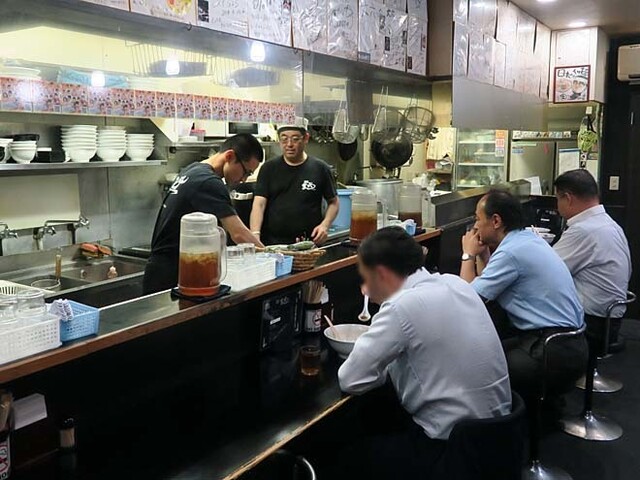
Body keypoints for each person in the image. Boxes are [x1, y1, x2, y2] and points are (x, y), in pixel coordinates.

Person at [335, 227, 512, 480]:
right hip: (499, 439)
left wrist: (383, 365)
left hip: (451, 450)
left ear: (382, 274)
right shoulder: (457, 284)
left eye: (365, 279)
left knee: (345, 455)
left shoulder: (401, 306)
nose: (365, 290)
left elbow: (350, 379)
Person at [460, 189, 587, 400]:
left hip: (551, 351)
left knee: (478, 365)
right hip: (571, 344)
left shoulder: (511, 252)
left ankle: (506, 416)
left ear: (496, 221)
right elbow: (488, 283)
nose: (475, 226)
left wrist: (468, 254)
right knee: (491, 349)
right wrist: (482, 254)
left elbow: (466, 298)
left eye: (478, 219)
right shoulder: (526, 239)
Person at [143, 134, 264, 294]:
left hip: (165, 268)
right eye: (246, 172)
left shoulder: (193, 169)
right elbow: (238, 234)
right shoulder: (208, 182)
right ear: (229, 156)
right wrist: (271, 255)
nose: (243, 179)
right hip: (172, 274)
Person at [553, 169, 632, 348]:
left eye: (558, 199)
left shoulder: (584, 230)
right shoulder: (609, 224)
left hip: (592, 325)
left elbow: (546, 270)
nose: (557, 207)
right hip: (609, 319)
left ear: (568, 198)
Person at [250, 118, 339, 245]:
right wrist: (255, 234)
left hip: (309, 243)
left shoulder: (320, 168)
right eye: (284, 139)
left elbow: (334, 202)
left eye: (295, 139)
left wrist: (325, 225)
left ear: (306, 138)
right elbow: (259, 204)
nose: (289, 144)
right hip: (273, 244)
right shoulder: (269, 168)